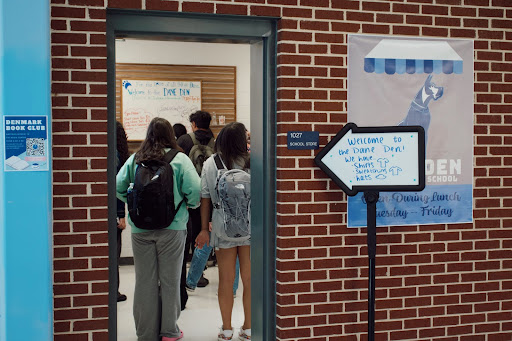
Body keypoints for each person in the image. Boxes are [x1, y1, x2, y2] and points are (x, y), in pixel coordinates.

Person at [116, 117, 201, 341]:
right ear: (170, 136)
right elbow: (195, 189)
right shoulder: (180, 159)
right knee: (171, 279)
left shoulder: (136, 159)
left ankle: (145, 333)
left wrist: (131, 204)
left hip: (140, 230)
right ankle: (169, 332)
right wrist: (189, 205)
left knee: (144, 280)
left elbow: (117, 185)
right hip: (173, 228)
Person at [195, 122, 251, 341]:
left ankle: (226, 329)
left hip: (221, 226)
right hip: (250, 228)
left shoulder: (211, 163)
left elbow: (205, 198)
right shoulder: (252, 161)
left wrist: (203, 229)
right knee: (249, 280)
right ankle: (248, 328)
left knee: (226, 281)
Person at [177, 111, 215, 300]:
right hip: (210, 196)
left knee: (186, 235)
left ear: (193, 123)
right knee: (204, 232)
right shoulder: (215, 141)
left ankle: (184, 277)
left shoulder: (184, 140)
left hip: (188, 196)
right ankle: (199, 274)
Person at [116, 121, 129, 303]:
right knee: (114, 254)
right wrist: (121, 214)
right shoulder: (118, 156)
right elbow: (118, 189)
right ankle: (114, 291)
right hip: (114, 212)